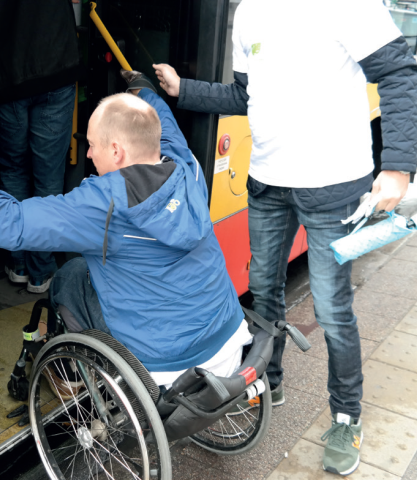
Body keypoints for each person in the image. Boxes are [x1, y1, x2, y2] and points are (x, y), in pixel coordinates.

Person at [153, 0, 417, 475]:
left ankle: (345, 416)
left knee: (332, 311)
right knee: (265, 294)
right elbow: (244, 96)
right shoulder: (249, 12)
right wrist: (182, 89)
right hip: (267, 184)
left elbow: (399, 73)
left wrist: (398, 166)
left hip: (334, 188)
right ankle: (267, 383)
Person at [0, 79, 251, 391]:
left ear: (117, 151)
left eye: (92, 145)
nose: (89, 155)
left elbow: (9, 222)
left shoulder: (105, 205)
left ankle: (71, 377)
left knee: (67, 279)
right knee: (91, 270)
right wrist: (144, 91)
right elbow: (163, 126)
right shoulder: (186, 165)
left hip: (167, 367)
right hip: (228, 342)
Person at [0, 0, 82, 293]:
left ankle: (18, 263)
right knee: (48, 175)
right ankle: (41, 271)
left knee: (13, 171)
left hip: (3, 77)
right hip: (55, 64)